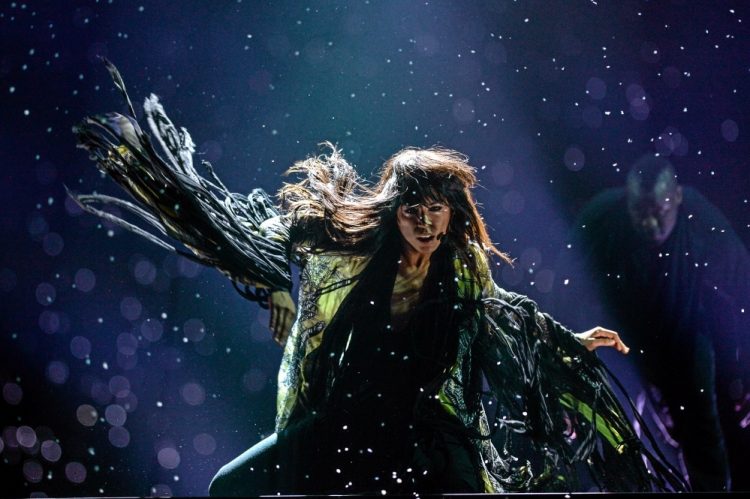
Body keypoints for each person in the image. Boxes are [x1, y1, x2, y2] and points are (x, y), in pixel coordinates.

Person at [70, 61, 687, 494]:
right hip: (347, 419)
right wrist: (276, 285)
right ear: (394, 212)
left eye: (436, 208)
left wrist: (570, 343)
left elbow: (505, 317)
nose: (424, 220)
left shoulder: (462, 272)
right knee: (229, 488)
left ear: (452, 214)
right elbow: (275, 234)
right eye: (412, 208)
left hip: (428, 430)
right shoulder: (361, 254)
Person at [553, 154, 750, 491]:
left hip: (684, 334)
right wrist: (563, 373)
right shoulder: (600, 219)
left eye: (659, 212)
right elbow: (563, 292)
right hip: (618, 337)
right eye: (639, 212)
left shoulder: (700, 219)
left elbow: (743, 286)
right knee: (613, 426)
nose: (649, 223)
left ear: (677, 198)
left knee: (700, 426)